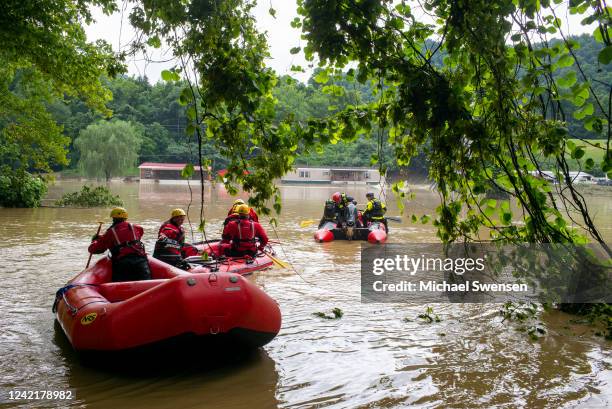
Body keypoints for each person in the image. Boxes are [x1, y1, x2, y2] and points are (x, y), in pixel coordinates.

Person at [88, 207, 151, 282]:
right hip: (141, 261)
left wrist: (95, 241)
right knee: (146, 282)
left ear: (113, 218)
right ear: (125, 218)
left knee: (121, 286)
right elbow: (129, 237)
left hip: (123, 263)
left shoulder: (111, 232)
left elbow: (96, 249)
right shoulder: (136, 227)